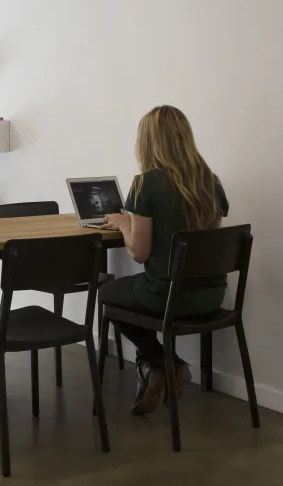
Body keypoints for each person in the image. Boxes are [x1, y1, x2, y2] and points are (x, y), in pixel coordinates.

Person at [99, 105, 229, 415]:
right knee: (127, 292)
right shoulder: (210, 181)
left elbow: (138, 253)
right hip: (212, 295)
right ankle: (154, 364)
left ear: (147, 142)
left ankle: (162, 362)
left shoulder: (145, 184)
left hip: (168, 296)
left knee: (107, 294)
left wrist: (123, 223)